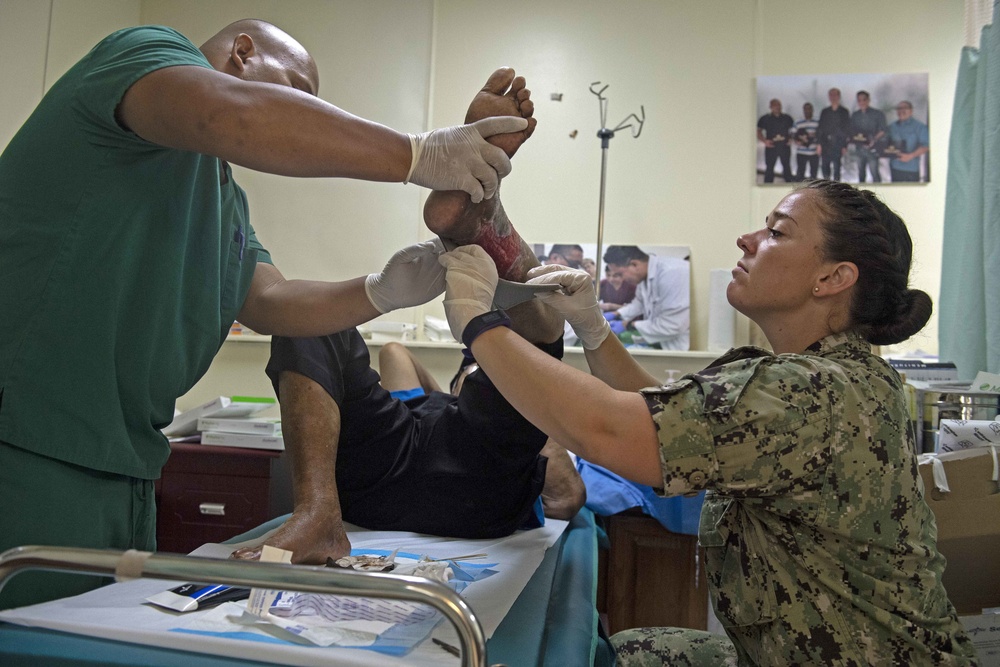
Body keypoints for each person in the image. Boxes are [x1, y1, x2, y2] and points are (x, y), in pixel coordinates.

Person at [0, 19, 530, 610]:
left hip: (128, 469)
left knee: (85, 641)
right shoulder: (141, 54)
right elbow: (235, 116)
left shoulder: (223, 197)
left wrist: (382, 290)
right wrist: (416, 154)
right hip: (28, 442)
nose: (303, 120)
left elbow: (273, 303)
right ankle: (316, 508)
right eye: (297, 99)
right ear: (242, 54)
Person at [436, 179, 977, 665]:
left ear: (833, 278)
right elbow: (667, 414)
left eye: (776, 232)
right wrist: (593, 328)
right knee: (623, 651)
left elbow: (608, 429)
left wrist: (481, 325)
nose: (747, 239)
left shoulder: (814, 393)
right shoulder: (836, 374)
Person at [229, 74, 584, 562]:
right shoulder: (448, 388)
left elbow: (567, 497)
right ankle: (317, 516)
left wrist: (544, 434)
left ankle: (484, 214)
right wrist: (388, 305)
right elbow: (395, 354)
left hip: (463, 475)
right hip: (403, 458)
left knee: (535, 344)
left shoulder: (491, 373)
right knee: (308, 324)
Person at [604, 245, 690, 350]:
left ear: (634, 264)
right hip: (664, 340)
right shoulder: (644, 277)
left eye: (620, 274)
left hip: (681, 344)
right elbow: (639, 303)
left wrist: (628, 324)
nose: (622, 279)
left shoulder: (672, 273)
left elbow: (672, 325)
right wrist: (616, 314)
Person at [849, 90, 887, 183]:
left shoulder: (877, 114)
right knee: (861, 175)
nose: (862, 102)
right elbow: (851, 131)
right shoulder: (855, 115)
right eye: (859, 100)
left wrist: (873, 140)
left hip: (873, 149)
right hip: (859, 149)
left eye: (864, 99)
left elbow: (883, 130)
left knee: (875, 174)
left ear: (868, 100)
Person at [887, 100, 930, 183]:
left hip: (911, 169)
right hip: (894, 168)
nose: (901, 111)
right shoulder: (891, 127)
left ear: (911, 111)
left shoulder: (919, 127)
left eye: (905, 108)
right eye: (899, 108)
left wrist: (911, 155)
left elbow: (926, 146)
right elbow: (885, 144)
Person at [756, 98, 794, 183]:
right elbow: (758, 131)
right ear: (770, 107)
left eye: (779, 105)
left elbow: (793, 130)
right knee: (769, 169)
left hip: (784, 147)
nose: (777, 107)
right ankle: (766, 190)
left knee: (787, 168)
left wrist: (791, 139)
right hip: (771, 147)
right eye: (775, 105)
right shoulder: (765, 118)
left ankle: (791, 190)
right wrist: (764, 141)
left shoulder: (787, 118)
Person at [816, 87, 850, 181]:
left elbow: (846, 130)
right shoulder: (825, 112)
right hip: (825, 143)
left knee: (837, 167)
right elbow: (820, 128)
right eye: (831, 95)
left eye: (835, 95)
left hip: (838, 143)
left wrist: (844, 145)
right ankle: (826, 189)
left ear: (839, 96)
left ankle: (836, 191)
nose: (833, 97)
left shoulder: (844, 112)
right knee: (825, 167)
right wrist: (819, 144)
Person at [792, 102, 819, 182]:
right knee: (800, 174)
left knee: (813, 175)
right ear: (803, 110)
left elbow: (821, 135)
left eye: (809, 109)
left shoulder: (817, 122)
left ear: (812, 110)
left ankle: (813, 192)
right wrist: (797, 141)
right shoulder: (798, 122)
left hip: (814, 152)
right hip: (801, 152)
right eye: (806, 109)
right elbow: (793, 134)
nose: (807, 111)